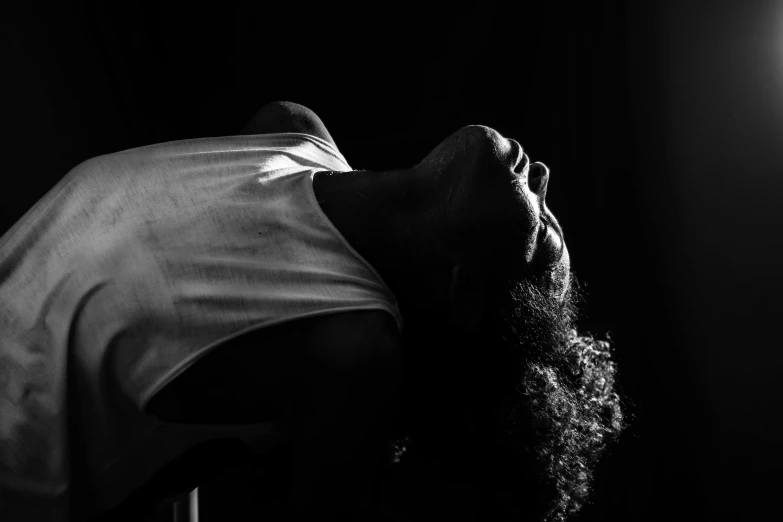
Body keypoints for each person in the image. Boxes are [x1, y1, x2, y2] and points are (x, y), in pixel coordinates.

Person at [0, 101, 625, 521]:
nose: (541, 174)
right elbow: (183, 373)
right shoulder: (295, 133)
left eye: (541, 231)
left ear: (464, 290)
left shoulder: (354, 348)